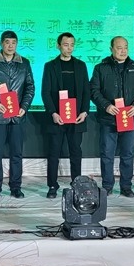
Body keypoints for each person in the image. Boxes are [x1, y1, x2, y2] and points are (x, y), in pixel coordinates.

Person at [0, 30, 35, 200]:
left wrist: (24, 106)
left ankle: (16, 187)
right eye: (7, 42)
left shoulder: (24, 63)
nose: (10, 46)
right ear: (1, 43)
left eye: (13, 43)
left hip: (17, 116)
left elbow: (30, 87)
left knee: (16, 154)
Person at [90, 36, 134, 197]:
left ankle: (126, 186)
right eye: (119, 47)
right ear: (111, 49)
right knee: (107, 154)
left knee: (127, 154)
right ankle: (107, 186)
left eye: (125, 47)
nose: (123, 51)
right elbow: (94, 91)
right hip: (109, 119)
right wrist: (106, 106)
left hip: (128, 118)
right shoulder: (101, 68)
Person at [41, 32, 89, 199]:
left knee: (76, 152)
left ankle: (77, 184)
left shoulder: (81, 65)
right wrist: (53, 113)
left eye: (72, 45)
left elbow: (86, 91)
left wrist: (84, 111)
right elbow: (45, 92)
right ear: (58, 45)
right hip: (57, 118)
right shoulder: (50, 66)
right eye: (66, 44)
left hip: (76, 118)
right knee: (54, 153)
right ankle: (52, 185)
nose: (69, 48)